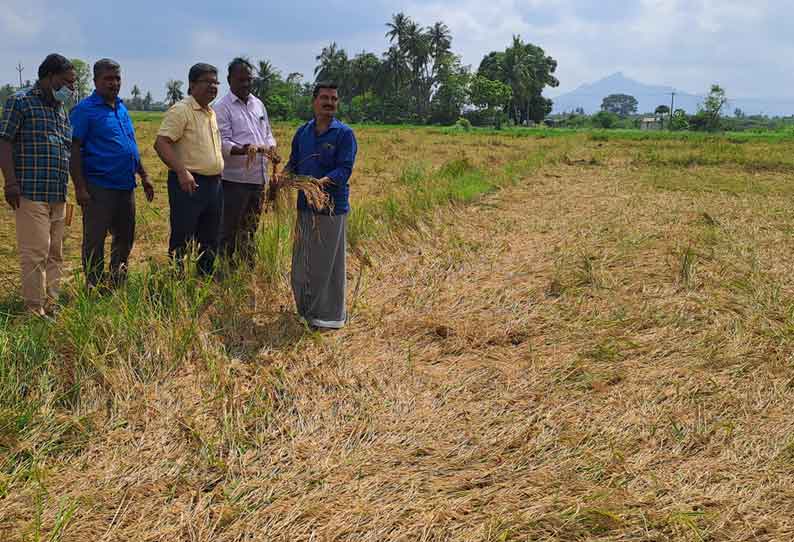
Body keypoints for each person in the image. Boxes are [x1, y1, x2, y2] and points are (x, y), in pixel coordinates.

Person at [0, 54, 76, 316]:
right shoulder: (20, 102)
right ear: (49, 77)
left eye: (73, 84)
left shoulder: (61, 111)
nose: (71, 89)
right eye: (67, 82)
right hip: (30, 192)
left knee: (56, 253)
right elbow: (5, 142)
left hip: (58, 193)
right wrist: (10, 182)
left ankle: (52, 304)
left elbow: (66, 149)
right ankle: (34, 310)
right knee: (35, 254)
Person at [70, 58, 154, 288]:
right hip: (99, 187)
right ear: (96, 80)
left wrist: (144, 175)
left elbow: (131, 145)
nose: (114, 83)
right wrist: (79, 187)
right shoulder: (84, 110)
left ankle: (117, 280)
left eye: (117, 78)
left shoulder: (121, 107)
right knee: (95, 239)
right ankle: (94, 285)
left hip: (126, 186)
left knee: (125, 237)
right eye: (108, 78)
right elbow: (74, 148)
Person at [285, 82, 357, 330]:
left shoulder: (344, 134)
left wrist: (321, 184)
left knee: (326, 263)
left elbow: (344, 169)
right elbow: (293, 164)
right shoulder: (302, 133)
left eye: (334, 99)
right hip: (305, 206)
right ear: (314, 101)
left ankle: (328, 317)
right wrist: (281, 179)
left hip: (331, 207)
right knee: (303, 261)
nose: (330, 103)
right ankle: (305, 312)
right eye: (325, 98)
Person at [154, 63, 224, 275]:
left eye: (215, 82)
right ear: (192, 84)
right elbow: (161, 143)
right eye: (207, 82)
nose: (212, 86)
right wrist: (182, 172)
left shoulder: (210, 112)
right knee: (183, 236)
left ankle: (204, 279)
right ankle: (177, 282)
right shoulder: (181, 110)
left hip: (214, 185)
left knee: (210, 237)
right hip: (189, 184)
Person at [213, 57, 277, 267]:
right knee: (229, 227)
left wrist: (271, 148)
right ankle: (224, 267)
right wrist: (245, 150)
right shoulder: (222, 107)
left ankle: (246, 267)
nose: (246, 84)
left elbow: (267, 134)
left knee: (251, 226)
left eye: (249, 80)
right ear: (230, 80)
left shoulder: (258, 104)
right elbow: (222, 142)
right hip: (234, 180)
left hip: (259, 178)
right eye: (241, 80)